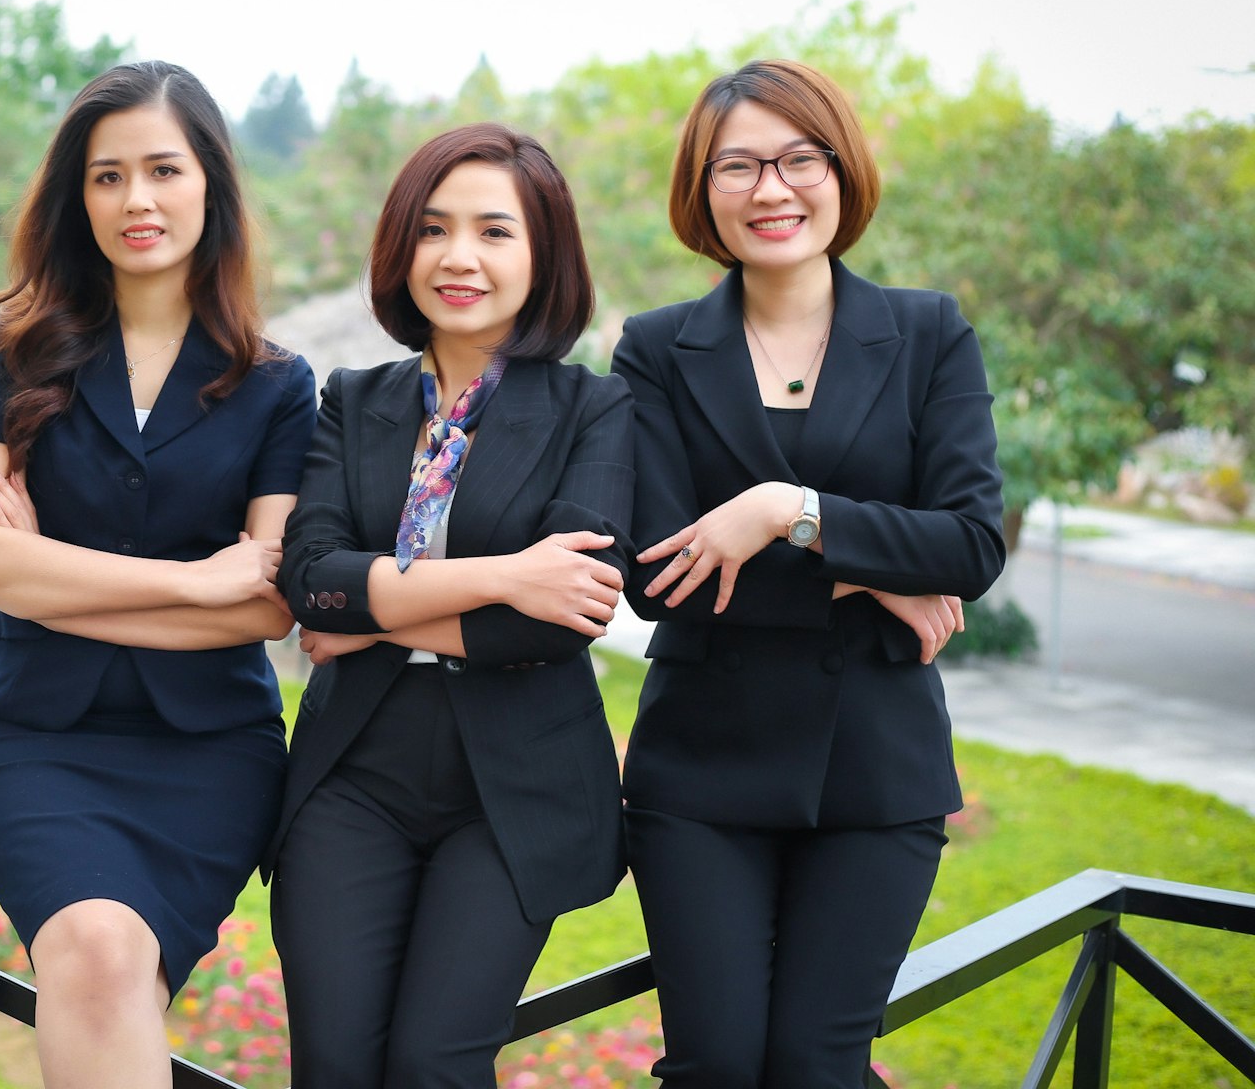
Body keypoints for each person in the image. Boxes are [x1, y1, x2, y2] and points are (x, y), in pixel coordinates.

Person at [610, 58, 1006, 1087]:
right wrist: (875, 567)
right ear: (703, 191)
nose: (771, 189)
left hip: (878, 767)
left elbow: (970, 545)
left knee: (817, 1064)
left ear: (843, 169)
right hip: (701, 771)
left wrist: (786, 511)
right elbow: (658, 578)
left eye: (798, 158)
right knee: (719, 1064)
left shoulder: (928, 333)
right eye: (736, 166)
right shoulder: (655, 350)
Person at [0, 60, 316, 1089]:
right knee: (98, 958)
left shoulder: (280, 385)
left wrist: (48, 576)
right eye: (108, 176)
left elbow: (268, 599)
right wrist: (196, 583)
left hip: (207, 750)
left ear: (213, 187)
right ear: (79, 195)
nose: (136, 199)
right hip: (35, 738)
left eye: (163, 169)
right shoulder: (22, 356)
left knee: (111, 986)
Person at [267, 123, 634, 1087]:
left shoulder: (595, 410)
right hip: (353, 773)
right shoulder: (354, 398)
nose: (459, 257)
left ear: (542, 253)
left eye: (494, 232)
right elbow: (308, 576)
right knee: (335, 1066)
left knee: (435, 1065)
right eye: (433, 229)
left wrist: (372, 610)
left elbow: (562, 619)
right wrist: (508, 572)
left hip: (514, 785)